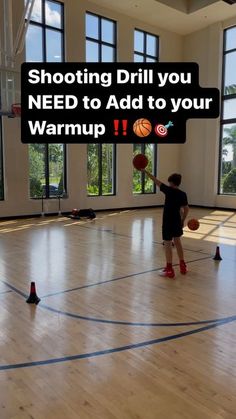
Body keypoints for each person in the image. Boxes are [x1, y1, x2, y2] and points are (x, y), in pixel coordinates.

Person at [144, 171, 189, 278]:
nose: (168, 184)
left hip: (168, 222)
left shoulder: (168, 190)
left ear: (172, 183)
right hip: (177, 221)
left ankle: (169, 269)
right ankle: (183, 265)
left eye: (169, 183)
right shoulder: (183, 194)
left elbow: (155, 180)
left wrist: (145, 171)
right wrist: (182, 220)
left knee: (168, 244)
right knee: (177, 242)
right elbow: (186, 209)